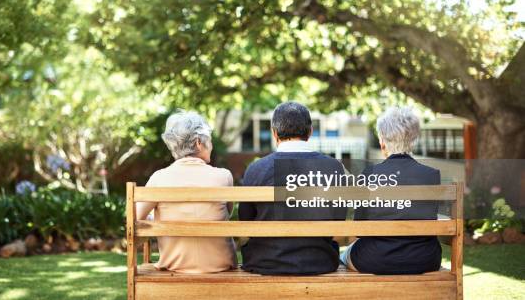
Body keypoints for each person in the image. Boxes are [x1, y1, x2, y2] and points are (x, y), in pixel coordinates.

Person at [240, 101, 347, 275]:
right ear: (310, 132)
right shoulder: (333, 167)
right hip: (319, 260)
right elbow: (338, 220)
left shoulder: (256, 169)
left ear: (274, 133)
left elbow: (246, 222)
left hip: (265, 261)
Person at [340, 107, 442, 274]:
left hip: (375, 258)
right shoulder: (431, 175)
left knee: (345, 254)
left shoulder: (369, 175)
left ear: (382, 143)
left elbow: (359, 228)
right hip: (424, 258)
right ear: (413, 140)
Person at [136, 110, 237, 273]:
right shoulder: (224, 177)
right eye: (209, 140)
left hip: (176, 267)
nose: (210, 146)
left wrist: (154, 218)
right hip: (221, 266)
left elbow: (133, 221)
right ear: (198, 142)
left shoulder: (159, 179)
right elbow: (228, 212)